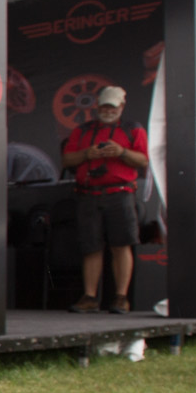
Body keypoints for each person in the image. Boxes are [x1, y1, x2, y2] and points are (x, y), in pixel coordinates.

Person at [62, 85, 148, 312]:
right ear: (97, 106)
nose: (108, 110)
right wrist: (86, 154)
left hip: (120, 193)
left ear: (121, 106)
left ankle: (121, 297)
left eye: (112, 106)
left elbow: (143, 160)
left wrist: (121, 152)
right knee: (91, 246)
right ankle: (90, 296)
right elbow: (67, 160)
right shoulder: (82, 131)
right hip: (88, 193)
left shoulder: (133, 129)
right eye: (104, 106)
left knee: (122, 244)